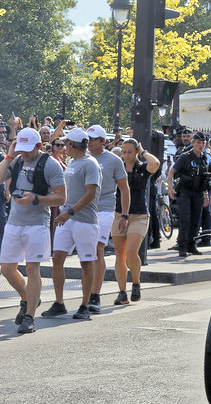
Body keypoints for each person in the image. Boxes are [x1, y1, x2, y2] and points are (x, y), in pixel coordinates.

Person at [0, 128, 66, 333]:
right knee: (6, 268)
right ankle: (28, 298)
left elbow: (61, 197)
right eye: (21, 148)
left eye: (28, 149)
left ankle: (29, 317)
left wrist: (36, 199)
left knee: (32, 269)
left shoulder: (51, 165)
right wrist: (10, 155)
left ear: (39, 146)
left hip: (37, 223)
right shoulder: (17, 160)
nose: (24, 153)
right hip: (14, 222)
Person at [41, 128, 102, 321]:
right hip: (67, 218)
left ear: (73, 144)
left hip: (84, 221)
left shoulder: (90, 164)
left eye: (66, 143)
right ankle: (59, 303)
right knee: (57, 259)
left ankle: (84, 305)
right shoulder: (73, 162)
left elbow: (91, 194)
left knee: (86, 263)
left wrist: (70, 212)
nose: (64, 146)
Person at [86, 125, 130, 313]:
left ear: (103, 141)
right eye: (87, 138)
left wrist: (125, 215)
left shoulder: (113, 160)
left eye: (93, 139)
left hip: (104, 209)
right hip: (82, 210)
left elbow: (124, 188)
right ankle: (84, 296)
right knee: (85, 253)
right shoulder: (81, 158)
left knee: (98, 249)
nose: (89, 142)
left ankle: (95, 295)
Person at [112, 139, 160, 304]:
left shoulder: (142, 168)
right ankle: (122, 292)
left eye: (130, 152)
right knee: (120, 254)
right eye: (124, 152)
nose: (126, 155)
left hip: (139, 215)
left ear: (136, 152)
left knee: (131, 252)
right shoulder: (118, 168)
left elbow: (155, 163)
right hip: (119, 214)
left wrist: (143, 150)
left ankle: (136, 283)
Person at [168, 132, 211, 257]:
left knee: (196, 220)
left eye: (203, 143)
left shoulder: (204, 158)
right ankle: (182, 246)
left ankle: (191, 245)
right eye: (198, 143)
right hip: (185, 192)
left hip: (198, 192)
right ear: (193, 143)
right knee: (185, 219)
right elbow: (171, 172)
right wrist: (170, 188)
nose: (201, 145)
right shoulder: (185, 157)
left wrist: (205, 194)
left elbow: (204, 178)